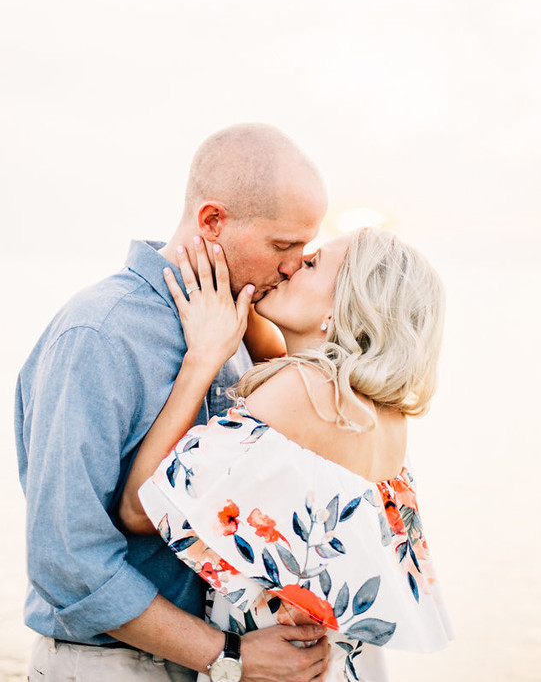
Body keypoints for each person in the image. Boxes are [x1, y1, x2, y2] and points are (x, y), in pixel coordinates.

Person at [15, 123, 331, 682]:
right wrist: (229, 655)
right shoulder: (100, 333)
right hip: (113, 667)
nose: (291, 265)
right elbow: (68, 559)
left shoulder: (234, 326)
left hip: (206, 662)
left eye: (304, 250)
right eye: (282, 245)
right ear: (213, 221)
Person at [119, 227, 453, 682]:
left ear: (344, 305)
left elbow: (141, 509)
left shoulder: (303, 393)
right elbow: (283, 361)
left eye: (312, 263)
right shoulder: (382, 413)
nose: (293, 264)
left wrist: (203, 356)